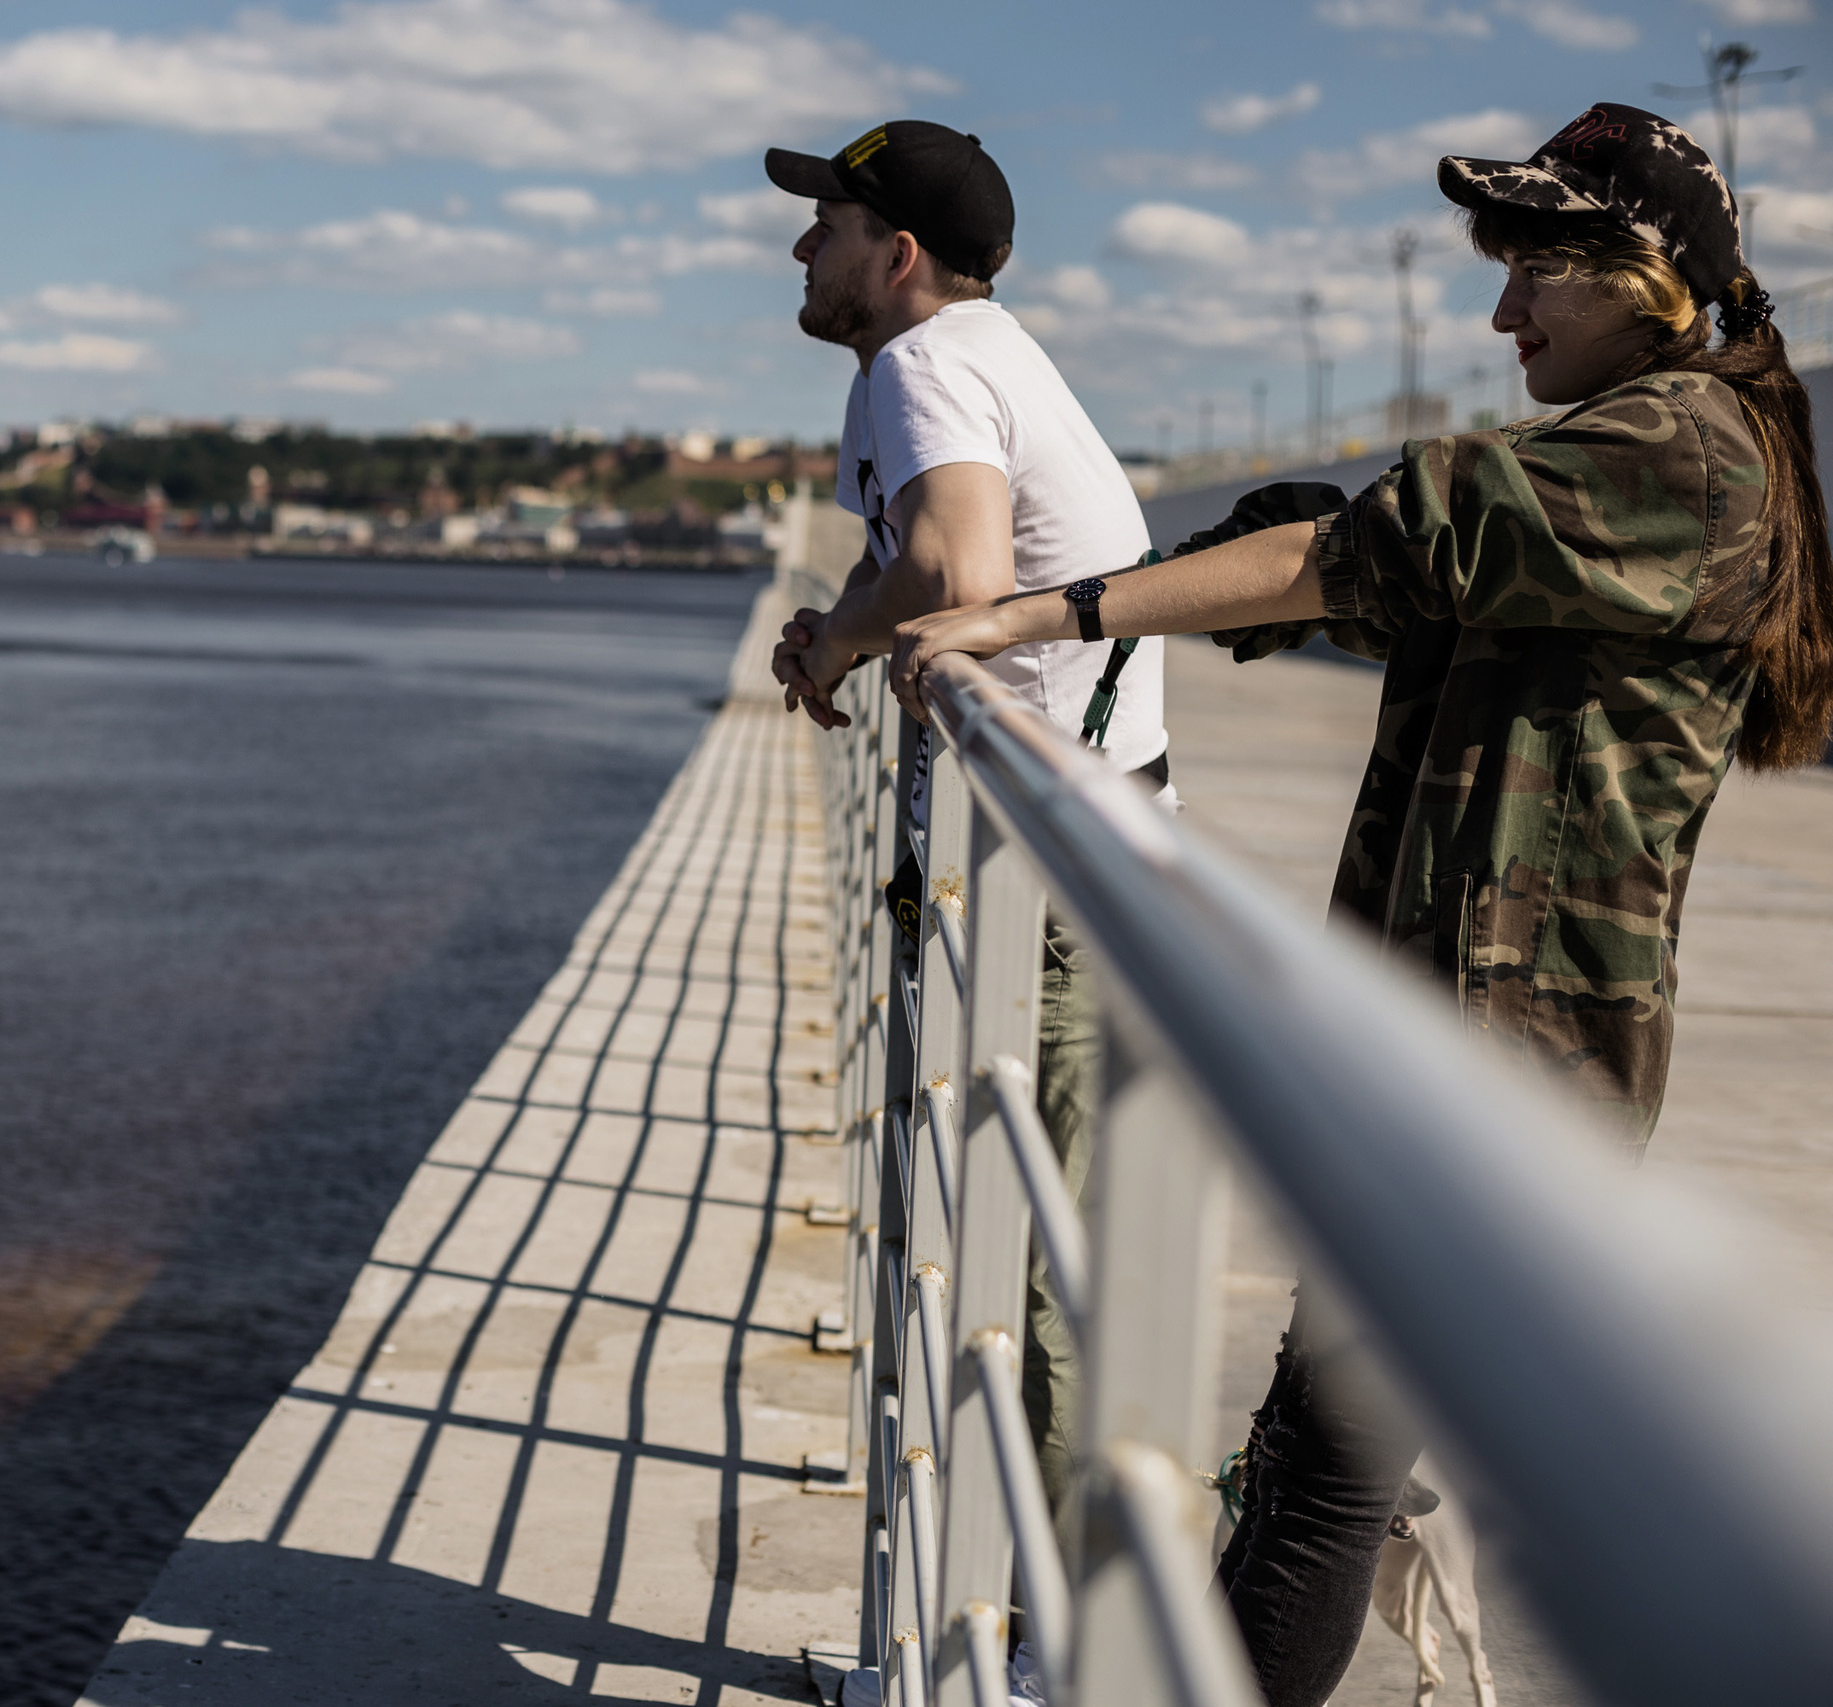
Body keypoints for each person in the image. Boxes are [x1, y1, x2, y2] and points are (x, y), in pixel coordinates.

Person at [886, 103, 1830, 1706]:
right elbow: (1383, 575)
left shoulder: (1680, 447)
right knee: (1317, 1462)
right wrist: (1259, 556)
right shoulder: (1636, 444)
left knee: (1321, 1480)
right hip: (1471, 1025)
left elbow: (1382, 548)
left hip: (1519, 1049)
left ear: (1645, 277)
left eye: (1535, 269)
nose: (1503, 311)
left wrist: (1039, 617)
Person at [759, 119, 1166, 1705]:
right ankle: (996, 1639)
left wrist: (841, 639)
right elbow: (934, 575)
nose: (805, 249)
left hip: (1046, 874)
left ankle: (1054, 1662)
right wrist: (846, 630)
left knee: (1026, 1274)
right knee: (1010, 1253)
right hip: (1075, 846)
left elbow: (953, 568)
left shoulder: (922, 365)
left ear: (901, 255)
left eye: (830, 224)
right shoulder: (975, 354)